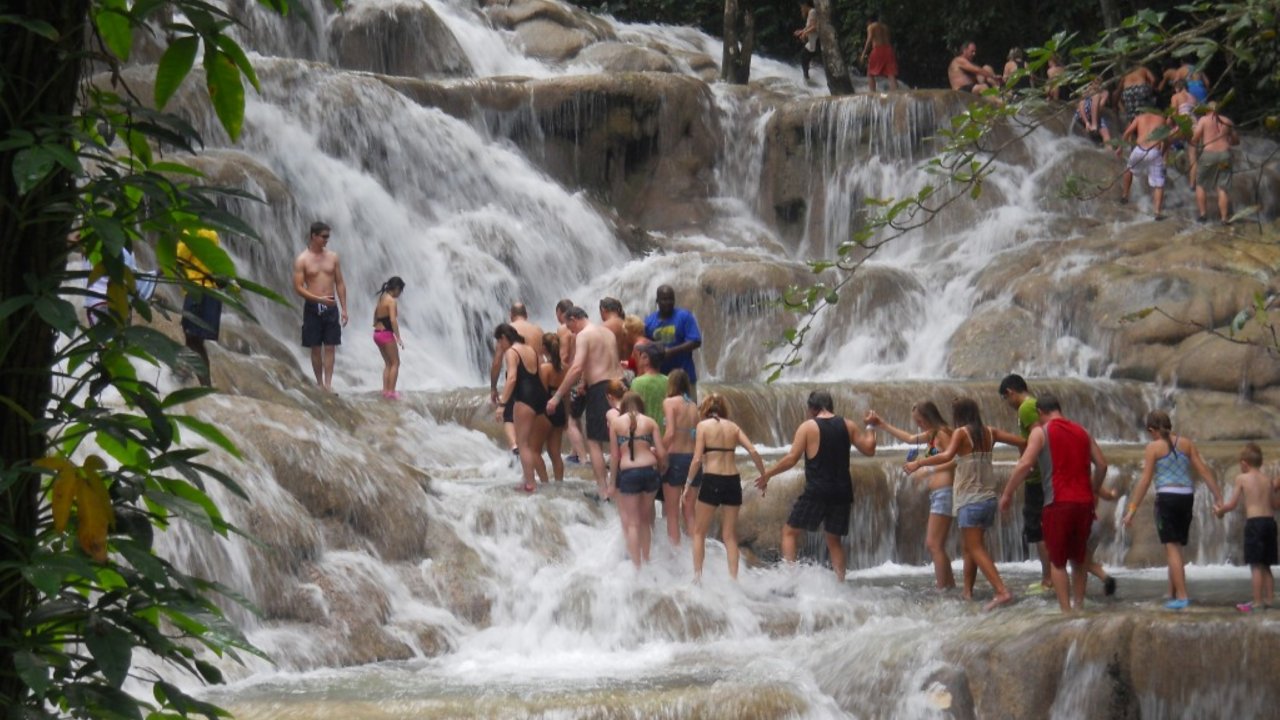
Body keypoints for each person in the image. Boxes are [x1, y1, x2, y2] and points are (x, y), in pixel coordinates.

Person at [908, 398, 1022, 610]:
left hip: (969, 499)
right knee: (970, 547)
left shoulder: (961, 433)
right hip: (988, 499)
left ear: (959, 415)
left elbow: (946, 456)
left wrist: (920, 462)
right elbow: (1021, 442)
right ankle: (967, 592)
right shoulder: (990, 432)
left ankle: (1001, 591)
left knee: (975, 547)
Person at [999, 394, 1109, 613]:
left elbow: (1025, 464)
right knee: (1079, 560)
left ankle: (1066, 611)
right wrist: (1095, 489)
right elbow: (1102, 465)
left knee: (1057, 562)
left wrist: (1007, 493)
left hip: (1057, 503)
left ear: (1040, 412)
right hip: (1085, 504)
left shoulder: (1040, 432)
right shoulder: (1083, 431)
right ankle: (1079, 607)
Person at [755, 390, 876, 583]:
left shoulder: (808, 427)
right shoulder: (848, 425)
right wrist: (870, 425)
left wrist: (768, 474)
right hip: (842, 492)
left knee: (789, 532)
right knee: (834, 540)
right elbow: (869, 449)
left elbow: (791, 459)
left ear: (812, 408)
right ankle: (840, 585)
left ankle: (790, 580)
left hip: (818, 491)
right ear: (831, 406)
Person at [1122, 410, 1224, 610]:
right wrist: (1218, 497)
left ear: (1152, 430)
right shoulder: (1186, 443)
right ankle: (1172, 592)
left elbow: (1145, 480)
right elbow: (1203, 470)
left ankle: (1183, 596)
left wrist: (1132, 509)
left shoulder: (1153, 448)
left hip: (1167, 498)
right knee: (1176, 547)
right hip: (1187, 497)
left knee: (1172, 548)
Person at [865, 402, 956, 590]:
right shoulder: (933, 434)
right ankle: (949, 586)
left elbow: (954, 461)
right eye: (917, 421)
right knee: (936, 545)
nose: (919, 424)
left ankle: (943, 588)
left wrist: (925, 467)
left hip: (945, 493)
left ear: (930, 417)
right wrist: (881, 424)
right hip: (939, 494)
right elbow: (909, 439)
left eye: (920, 421)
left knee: (933, 544)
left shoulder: (943, 433)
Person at [684, 393, 766, 581]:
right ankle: (733, 581)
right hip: (732, 480)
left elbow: (697, 459)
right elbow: (753, 450)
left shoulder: (703, 426)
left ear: (705, 409)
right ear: (723, 409)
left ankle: (697, 578)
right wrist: (764, 475)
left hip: (712, 479)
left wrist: (688, 484)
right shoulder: (733, 427)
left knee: (699, 532)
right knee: (730, 535)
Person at [547, 306, 622, 496]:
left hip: (601, 390)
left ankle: (603, 491)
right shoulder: (607, 333)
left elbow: (577, 367)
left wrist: (557, 396)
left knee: (595, 443)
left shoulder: (583, 335)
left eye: (569, 326)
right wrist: (585, 383)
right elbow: (606, 361)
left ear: (574, 319)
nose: (570, 331)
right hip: (620, 386)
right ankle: (617, 486)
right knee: (620, 440)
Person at [997, 374, 1052, 594]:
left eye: (1005, 399)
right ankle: (1049, 577)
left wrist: (1027, 466)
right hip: (1041, 475)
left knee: (1038, 530)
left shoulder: (1026, 408)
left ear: (1010, 392)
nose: (1007, 404)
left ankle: (1048, 580)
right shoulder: (1034, 404)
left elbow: (1036, 439)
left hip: (1037, 477)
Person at [1213, 443, 1278, 612]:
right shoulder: (1268, 480)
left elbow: (1232, 504)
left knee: (1255, 565)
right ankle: (1270, 600)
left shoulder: (1242, 479)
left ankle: (1257, 601)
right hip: (1270, 523)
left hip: (1255, 524)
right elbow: (1275, 504)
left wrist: (1220, 511)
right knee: (1266, 564)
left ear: (1244, 464)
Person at [608, 391, 666, 567]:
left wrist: (612, 484)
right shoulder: (650, 422)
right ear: (641, 405)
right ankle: (647, 559)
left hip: (629, 473)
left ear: (623, 406)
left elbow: (614, 456)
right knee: (645, 520)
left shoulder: (616, 424)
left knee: (633, 523)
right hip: (650, 472)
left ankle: (637, 567)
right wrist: (662, 468)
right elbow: (661, 452)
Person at [293, 222, 347, 392]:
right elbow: (299, 288)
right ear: (313, 236)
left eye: (328, 237)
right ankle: (319, 383)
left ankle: (328, 384)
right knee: (316, 347)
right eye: (324, 237)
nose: (326, 240)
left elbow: (339, 283)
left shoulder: (333, 257)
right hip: (313, 306)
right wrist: (319, 299)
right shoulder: (302, 260)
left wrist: (344, 308)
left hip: (331, 305)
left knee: (331, 345)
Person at [494, 323, 549, 493]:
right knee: (533, 447)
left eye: (499, 342)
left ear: (504, 338)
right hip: (539, 395)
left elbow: (511, 379)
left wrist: (502, 404)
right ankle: (545, 482)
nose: (499, 346)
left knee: (523, 444)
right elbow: (540, 375)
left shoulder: (511, 352)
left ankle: (530, 483)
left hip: (524, 398)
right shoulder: (531, 349)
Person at [491, 303, 545, 453]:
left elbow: (497, 362)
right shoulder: (537, 330)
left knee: (509, 417)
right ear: (526, 315)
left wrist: (493, 387)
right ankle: (528, 451)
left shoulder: (507, 333)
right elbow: (542, 358)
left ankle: (514, 447)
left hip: (517, 377)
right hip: (535, 376)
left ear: (511, 315)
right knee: (531, 419)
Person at [177, 230, 224, 387]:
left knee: (192, 337)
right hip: (212, 291)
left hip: (196, 290)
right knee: (197, 340)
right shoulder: (213, 234)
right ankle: (185, 376)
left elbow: (180, 258)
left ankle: (201, 383)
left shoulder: (189, 233)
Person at [662, 369, 700, 546]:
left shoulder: (670, 402)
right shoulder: (693, 406)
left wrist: (659, 451)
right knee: (690, 512)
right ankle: (697, 555)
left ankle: (674, 559)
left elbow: (669, 433)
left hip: (675, 458)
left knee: (672, 513)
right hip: (693, 460)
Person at [645, 285, 702, 400]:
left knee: (689, 412)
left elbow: (696, 341)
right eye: (664, 299)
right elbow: (645, 345)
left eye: (671, 299)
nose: (668, 303)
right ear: (657, 301)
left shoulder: (684, 317)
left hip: (685, 378)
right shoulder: (649, 322)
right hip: (661, 379)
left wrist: (671, 351)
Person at [554, 299, 589, 465]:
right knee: (576, 416)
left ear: (561, 313)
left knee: (570, 419)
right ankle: (577, 452)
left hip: (573, 376)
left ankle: (581, 457)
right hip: (584, 376)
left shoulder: (563, 330)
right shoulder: (583, 331)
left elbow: (564, 357)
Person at [1191, 103, 1239, 224]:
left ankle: (1203, 215)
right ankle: (1224, 218)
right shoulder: (1227, 121)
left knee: (1201, 184)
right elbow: (1236, 141)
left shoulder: (1204, 120)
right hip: (1224, 156)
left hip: (1208, 156)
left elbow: (1195, 139)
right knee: (1222, 187)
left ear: (1207, 110)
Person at [1120, 109, 1171, 219]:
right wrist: (1162, 153)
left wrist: (1120, 148)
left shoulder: (1139, 118)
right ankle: (1157, 211)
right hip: (1154, 151)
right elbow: (1167, 140)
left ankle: (1125, 195)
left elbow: (1127, 132)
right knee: (1159, 184)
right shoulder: (1161, 120)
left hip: (1139, 150)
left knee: (1128, 169)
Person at [540, 332, 568, 483]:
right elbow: (567, 395)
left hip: (547, 410)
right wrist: (568, 418)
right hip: (561, 409)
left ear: (544, 348)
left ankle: (543, 482)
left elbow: (542, 394)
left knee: (533, 450)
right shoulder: (565, 368)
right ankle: (559, 483)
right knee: (555, 453)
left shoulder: (545, 368)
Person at [371, 276, 405, 399]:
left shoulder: (382, 298)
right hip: (386, 334)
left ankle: (385, 390)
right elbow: (393, 320)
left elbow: (375, 313)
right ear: (396, 288)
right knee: (396, 363)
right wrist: (398, 337)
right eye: (400, 291)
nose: (400, 294)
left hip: (377, 333)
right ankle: (391, 392)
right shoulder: (391, 301)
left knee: (388, 363)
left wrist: (374, 323)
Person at [629, 343, 668, 435]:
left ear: (646, 359)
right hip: (664, 432)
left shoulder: (637, 382)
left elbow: (631, 408)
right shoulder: (669, 381)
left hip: (643, 433)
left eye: (642, 356)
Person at [1169, 79, 1199, 187]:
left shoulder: (1175, 97)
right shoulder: (1193, 98)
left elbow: (1173, 115)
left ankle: (1163, 164)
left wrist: (1168, 125)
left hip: (1183, 126)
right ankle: (1192, 185)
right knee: (1193, 157)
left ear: (1177, 88)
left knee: (1164, 141)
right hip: (1195, 127)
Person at [860, 18, 898, 91]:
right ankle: (895, 94)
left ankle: (872, 94)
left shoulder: (871, 27)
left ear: (868, 21)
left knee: (870, 73)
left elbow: (869, 40)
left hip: (878, 50)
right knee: (891, 74)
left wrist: (863, 54)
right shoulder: (885, 27)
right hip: (889, 50)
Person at [1075, 78, 1114, 148]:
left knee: (1106, 134)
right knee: (1095, 96)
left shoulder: (1104, 92)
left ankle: (1110, 152)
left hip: (1096, 114)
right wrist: (1086, 122)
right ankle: (1093, 124)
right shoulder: (1086, 91)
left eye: (1098, 83)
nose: (1096, 85)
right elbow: (1081, 105)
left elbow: (1101, 106)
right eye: (1094, 83)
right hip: (1084, 114)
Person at [795, 1, 820, 84]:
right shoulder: (810, 13)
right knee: (804, 58)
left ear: (805, 5)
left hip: (814, 41)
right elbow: (809, 26)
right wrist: (801, 32)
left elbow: (814, 27)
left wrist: (804, 33)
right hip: (811, 41)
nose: (801, 9)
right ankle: (807, 78)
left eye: (801, 7)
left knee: (803, 57)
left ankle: (807, 79)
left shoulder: (812, 12)